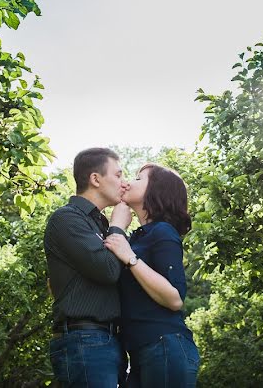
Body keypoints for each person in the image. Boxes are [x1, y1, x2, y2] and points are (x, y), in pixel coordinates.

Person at [104, 163, 200, 387]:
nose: (128, 182)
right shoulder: (137, 238)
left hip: (165, 345)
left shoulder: (163, 232)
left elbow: (175, 299)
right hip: (139, 353)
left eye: (138, 179)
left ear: (156, 191)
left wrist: (130, 258)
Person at [44, 147, 132, 387]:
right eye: (118, 175)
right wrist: (118, 227)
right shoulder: (67, 219)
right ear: (95, 179)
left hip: (108, 342)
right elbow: (108, 270)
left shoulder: (100, 224)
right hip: (84, 340)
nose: (124, 183)